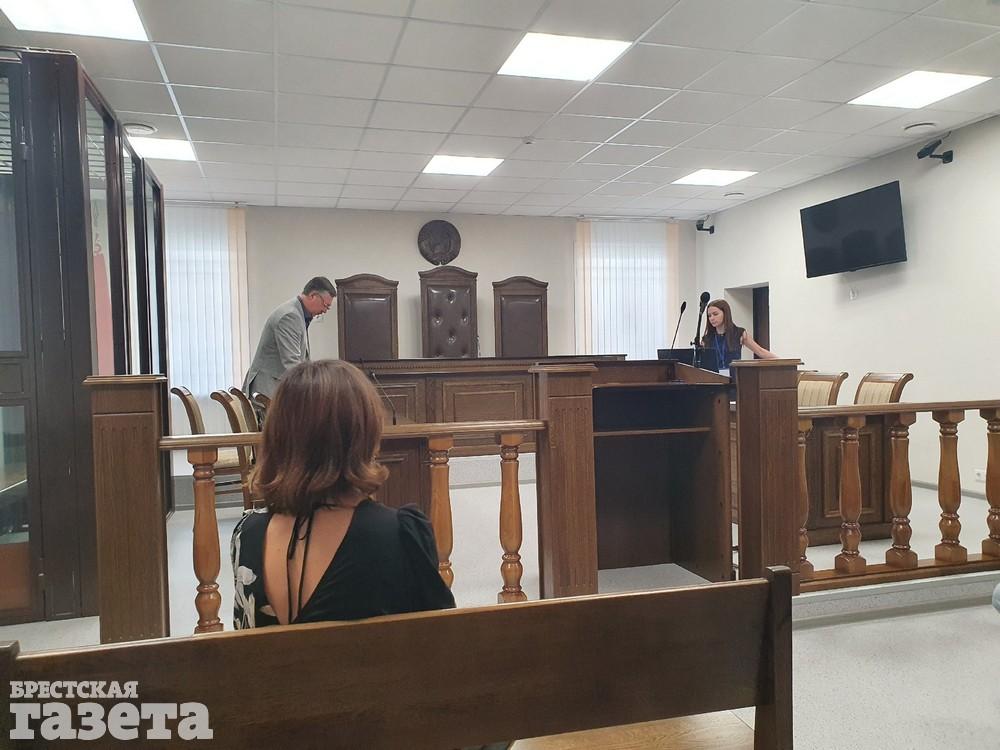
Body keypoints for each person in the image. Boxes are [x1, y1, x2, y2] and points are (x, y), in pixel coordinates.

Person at [231, 359, 455, 629]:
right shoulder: (400, 534)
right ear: (364, 437)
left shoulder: (247, 534)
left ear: (277, 437)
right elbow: (442, 638)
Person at [242, 277, 337, 398]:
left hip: (275, 387)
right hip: (267, 390)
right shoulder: (290, 316)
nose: (325, 310)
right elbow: (292, 363)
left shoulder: (298, 313)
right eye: (325, 305)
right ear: (313, 296)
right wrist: (315, 388)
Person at [701, 298, 777, 375]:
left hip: (734, 377)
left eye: (715, 314)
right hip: (714, 378)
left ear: (725, 313)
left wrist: (780, 361)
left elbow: (760, 351)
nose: (712, 318)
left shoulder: (739, 333)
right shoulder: (706, 339)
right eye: (709, 316)